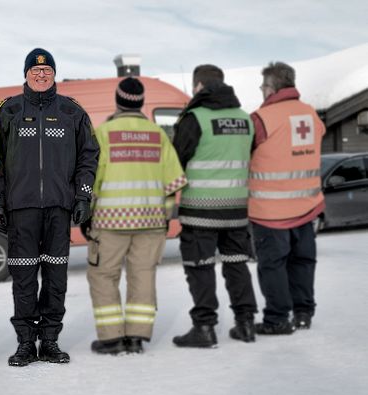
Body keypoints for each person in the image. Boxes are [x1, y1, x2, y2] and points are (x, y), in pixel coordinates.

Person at [0, 48, 99, 366]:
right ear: (25, 74)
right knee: (23, 277)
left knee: (55, 276)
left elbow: (89, 156)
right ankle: (26, 342)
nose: (41, 75)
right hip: (21, 208)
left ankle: (49, 340)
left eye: (47, 70)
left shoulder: (71, 112)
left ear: (54, 74)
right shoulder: (7, 111)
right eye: (35, 71)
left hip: (58, 208)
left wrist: (82, 196)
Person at [84, 77, 187, 355]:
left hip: (109, 222)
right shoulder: (158, 135)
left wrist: (86, 217)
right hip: (152, 221)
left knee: (103, 276)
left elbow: (90, 181)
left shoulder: (103, 134)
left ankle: (111, 338)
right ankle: (137, 338)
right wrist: (164, 219)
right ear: (141, 103)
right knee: (143, 276)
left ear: (117, 101)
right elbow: (172, 183)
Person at [171, 65, 258, 348]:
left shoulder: (194, 118)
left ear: (198, 87)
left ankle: (205, 327)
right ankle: (245, 324)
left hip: (200, 210)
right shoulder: (245, 119)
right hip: (236, 210)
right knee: (237, 265)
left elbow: (175, 162)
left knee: (200, 266)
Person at [249, 62, 325, 334]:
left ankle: (278, 318)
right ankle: (303, 313)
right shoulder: (311, 115)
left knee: (273, 265)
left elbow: (247, 152)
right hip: (307, 206)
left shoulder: (261, 119)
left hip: (271, 211)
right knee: (303, 261)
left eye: (262, 87)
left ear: (271, 88)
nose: (261, 91)